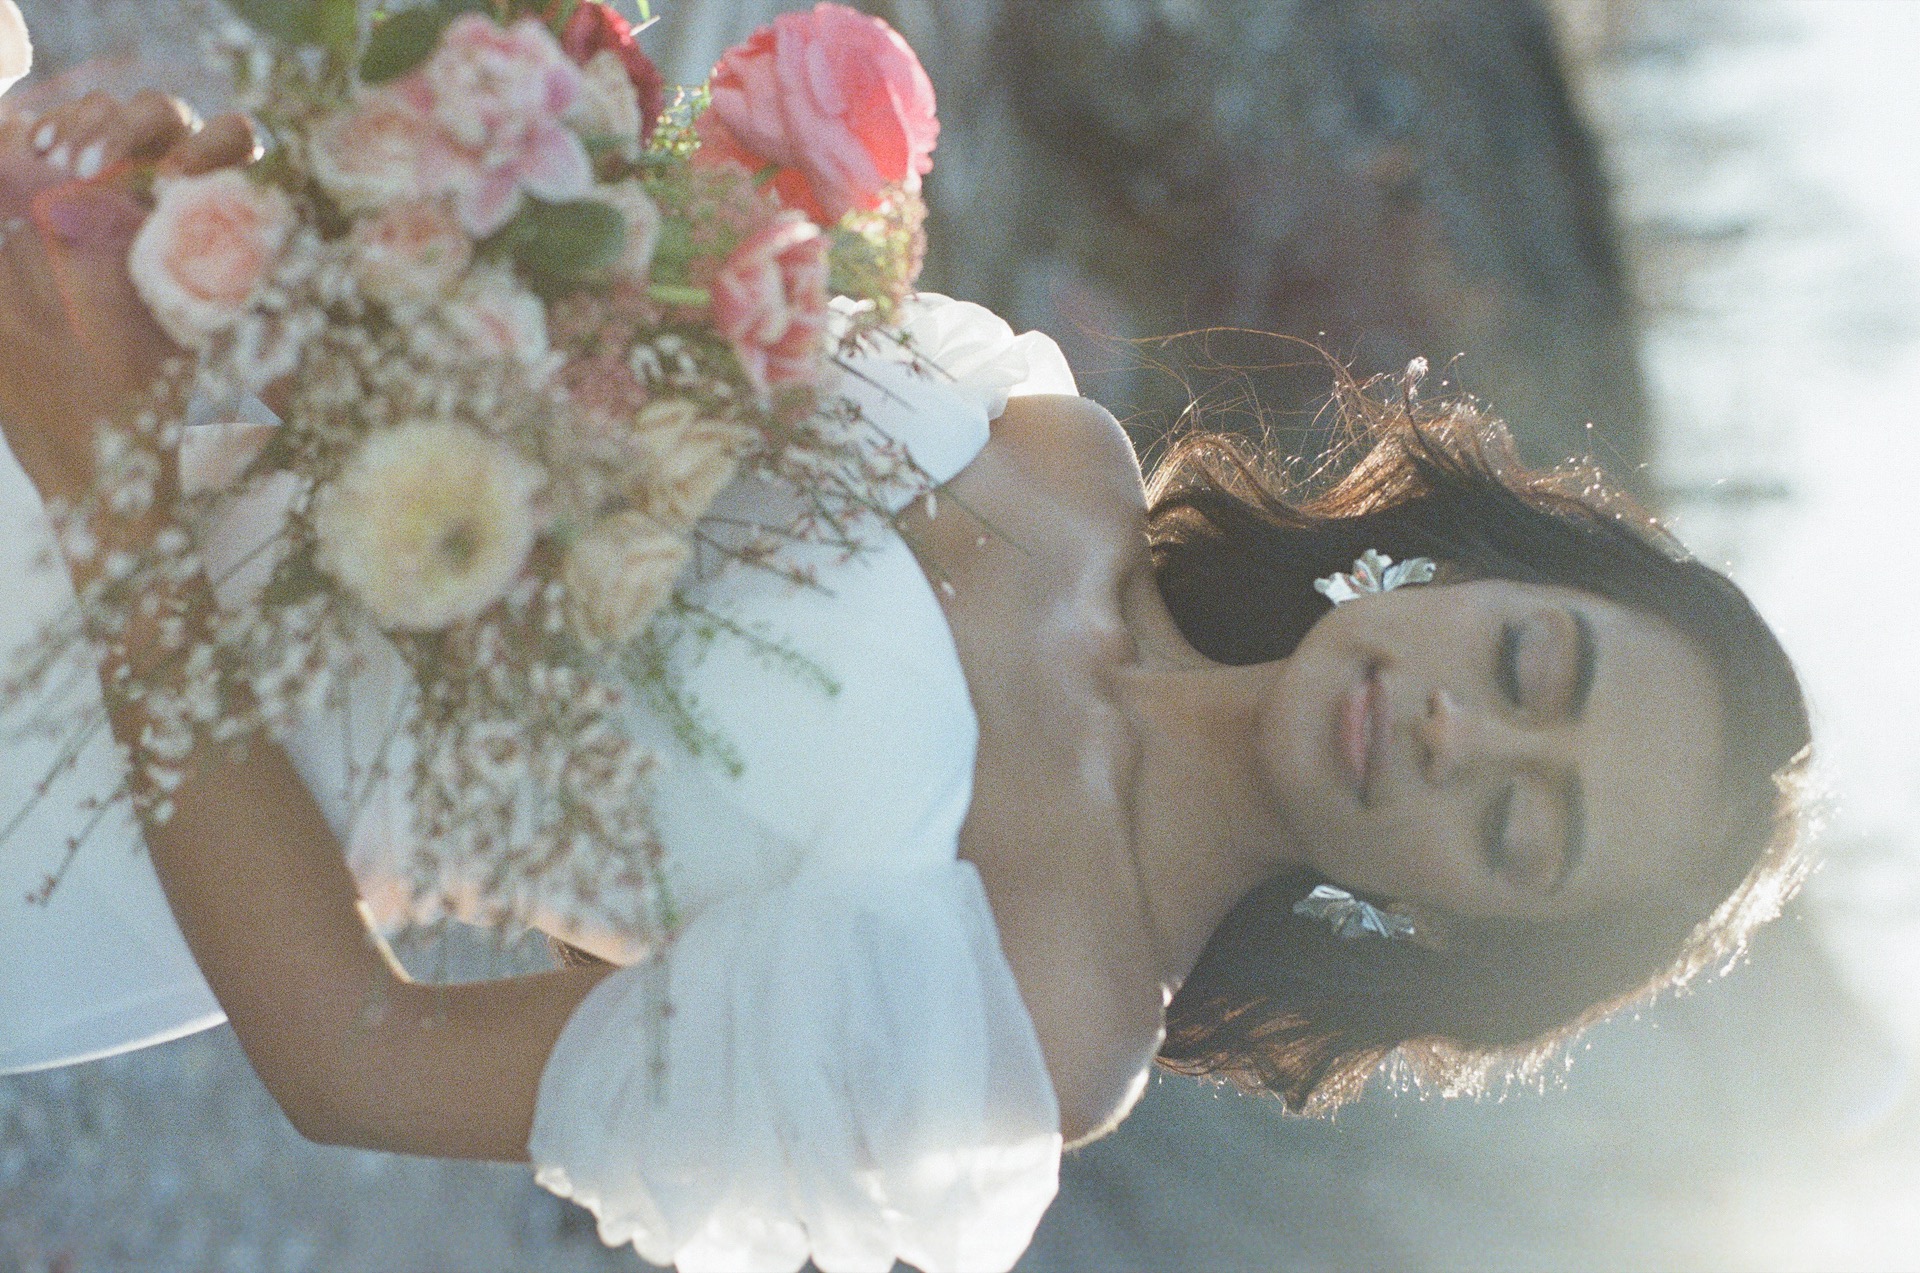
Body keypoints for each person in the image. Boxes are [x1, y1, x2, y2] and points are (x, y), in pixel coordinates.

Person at [0, 92, 1810, 1273]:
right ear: (1476, 571)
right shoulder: (1035, 436)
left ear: (1445, 921)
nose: (1456, 730)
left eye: (1517, 818)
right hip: (75, 431)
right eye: (1528, 665)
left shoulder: (1023, 1026)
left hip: (80, 830)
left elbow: (356, 1056)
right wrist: (237, 208)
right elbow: (494, 332)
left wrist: (116, 505)